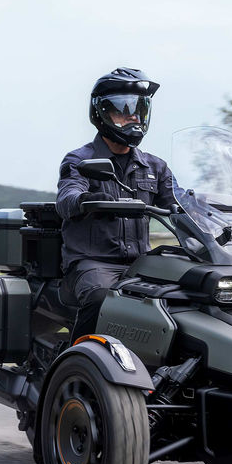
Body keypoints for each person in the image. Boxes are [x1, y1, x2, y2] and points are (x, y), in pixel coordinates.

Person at [56, 67, 181, 339]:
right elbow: (66, 199)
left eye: (138, 110)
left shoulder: (154, 166)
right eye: (123, 110)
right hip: (92, 264)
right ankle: (73, 367)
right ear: (101, 113)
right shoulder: (80, 160)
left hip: (141, 265)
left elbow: (182, 204)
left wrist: (220, 205)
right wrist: (86, 199)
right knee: (103, 299)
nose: (133, 117)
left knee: (187, 298)